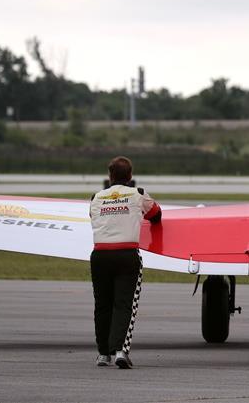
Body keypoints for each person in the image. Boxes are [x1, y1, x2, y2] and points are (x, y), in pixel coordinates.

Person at [89, 156, 162, 368]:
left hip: (99, 255)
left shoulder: (96, 197)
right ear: (130, 176)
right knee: (124, 303)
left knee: (102, 305)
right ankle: (121, 350)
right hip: (126, 254)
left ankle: (103, 354)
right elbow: (156, 214)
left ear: (110, 176)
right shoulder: (137, 194)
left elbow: (92, 218)